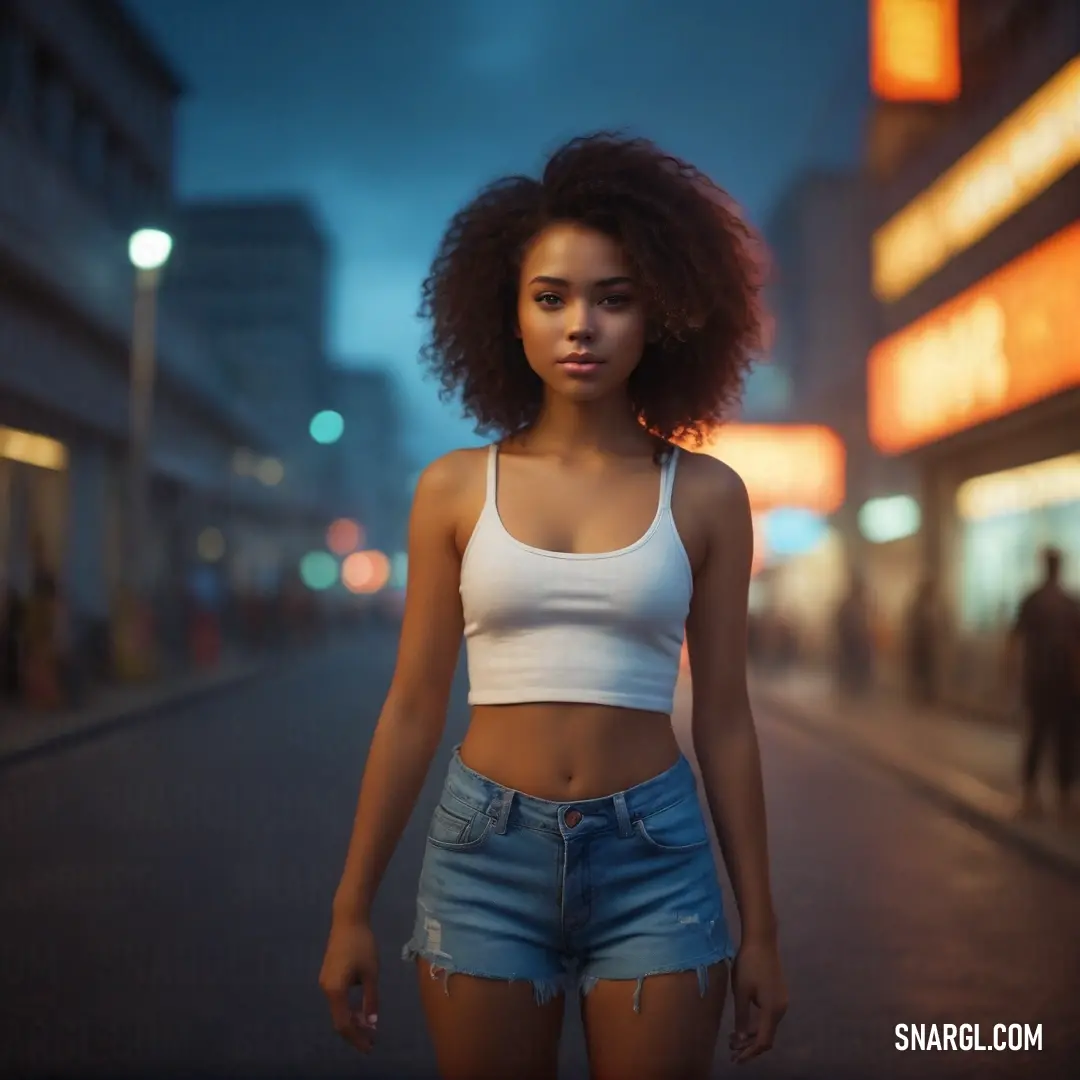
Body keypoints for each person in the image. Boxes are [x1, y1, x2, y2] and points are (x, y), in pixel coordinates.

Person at [319, 132, 788, 1079]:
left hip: (658, 858)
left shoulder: (705, 494)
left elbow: (728, 721)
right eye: (552, 298)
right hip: (482, 856)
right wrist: (350, 908)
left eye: (614, 299)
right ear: (512, 316)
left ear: (663, 313)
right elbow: (413, 706)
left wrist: (763, 930)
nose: (583, 325)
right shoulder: (453, 489)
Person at [1007, 546, 1080, 820]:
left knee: (1038, 735)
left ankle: (1031, 793)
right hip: (1062, 683)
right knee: (1065, 739)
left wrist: (1009, 674)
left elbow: (1014, 640)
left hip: (1039, 680)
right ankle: (1064, 795)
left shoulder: (1033, 600)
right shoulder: (1070, 602)